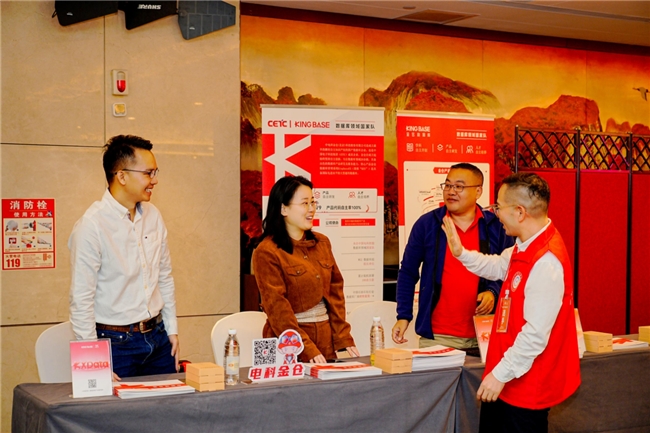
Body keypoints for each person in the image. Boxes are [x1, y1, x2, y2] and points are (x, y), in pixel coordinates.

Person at [442, 172, 580, 433]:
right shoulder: (523, 244)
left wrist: (499, 375)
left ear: (519, 212)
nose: (495, 213)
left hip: (526, 384)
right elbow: (497, 266)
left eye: (498, 206)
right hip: (507, 375)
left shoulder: (547, 261)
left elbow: (535, 335)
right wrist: (461, 253)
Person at [69, 135, 179, 380]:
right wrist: (95, 362)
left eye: (155, 172)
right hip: (114, 345)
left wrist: (172, 329)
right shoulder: (91, 226)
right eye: (148, 173)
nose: (154, 180)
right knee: (113, 407)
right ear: (121, 176)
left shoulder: (153, 215)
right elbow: (81, 299)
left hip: (158, 338)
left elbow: (164, 276)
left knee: (170, 404)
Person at [393, 163, 513, 349]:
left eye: (459, 186)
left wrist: (493, 291)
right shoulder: (428, 224)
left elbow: (510, 269)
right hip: (438, 336)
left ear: (478, 191)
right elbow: (408, 272)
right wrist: (403, 315)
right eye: (448, 185)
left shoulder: (496, 226)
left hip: (486, 334)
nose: (451, 191)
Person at [252, 175, 360, 363]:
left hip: (324, 337)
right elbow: (277, 308)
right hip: (284, 342)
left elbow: (335, 293)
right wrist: (306, 347)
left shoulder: (322, 242)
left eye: (313, 202)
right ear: (284, 209)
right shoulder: (266, 251)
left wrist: (342, 336)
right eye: (304, 203)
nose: (311, 209)